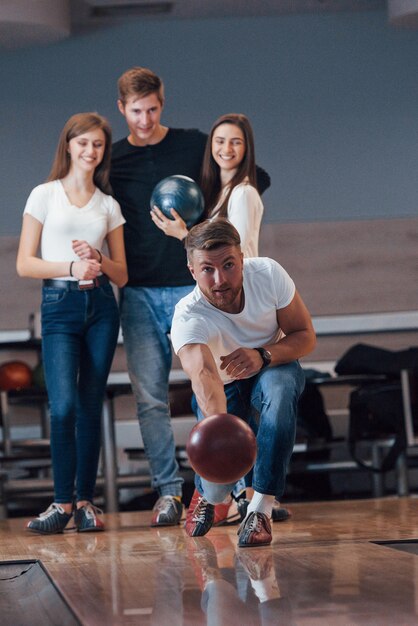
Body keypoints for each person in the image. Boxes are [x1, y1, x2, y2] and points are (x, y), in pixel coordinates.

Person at [110, 66, 270, 527]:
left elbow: (252, 175)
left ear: (163, 103)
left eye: (153, 109)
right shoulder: (114, 160)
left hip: (192, 289)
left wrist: (196, 232)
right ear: (122, 109)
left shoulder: (193, 144)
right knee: (151, 398)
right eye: (136, 111)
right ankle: (167, 493)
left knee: (213, 391)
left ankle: (230, 490)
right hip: (138, 292)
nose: (145, 119)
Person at [170, 219, 316, 547]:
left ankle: (260, 510)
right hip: (224, 386)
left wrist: (263, 355)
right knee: (220, 484)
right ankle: (208, 494)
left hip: (272, 364)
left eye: (229, 265)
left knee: (279, 395)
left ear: (242, 256)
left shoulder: (267, 274)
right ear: (192, 270)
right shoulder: (187, 315)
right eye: (208, 269)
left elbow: (304, 336)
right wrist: (221, 434)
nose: (220, 279)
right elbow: (205, 375)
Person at [16, 112, 128, 534]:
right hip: (60, 305)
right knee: (62, 407)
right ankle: (61, 502)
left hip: (102, 307)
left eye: (98, 145)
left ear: (103, 152)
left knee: (89, 406)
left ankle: (85, 502)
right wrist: (71, 265)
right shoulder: (44, 195)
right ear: (69, 145)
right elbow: (25, 263)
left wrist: (98, 260)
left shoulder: (109, 206)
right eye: (83, 143)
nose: (90, 151)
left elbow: (123, 274)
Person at [150, 112, 264, 259]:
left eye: (236, 142)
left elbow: (231, 252)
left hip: (238, 281)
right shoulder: (217, 193)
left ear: (246, 148)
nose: (227, 149)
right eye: (220, 141)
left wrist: (183, 235)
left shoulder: (243, 193)